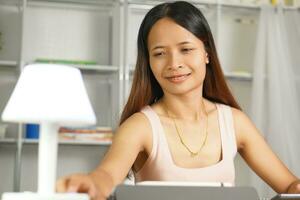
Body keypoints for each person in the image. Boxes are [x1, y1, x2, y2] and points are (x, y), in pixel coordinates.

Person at [56, 1, 300, 200]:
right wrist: (90, 183)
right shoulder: (139, 126)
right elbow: (106, 177)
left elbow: (290, 185)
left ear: (206, 53)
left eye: (185, 49)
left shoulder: (235, 122)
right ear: (148, 62)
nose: (174, 64)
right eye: (160, 53)